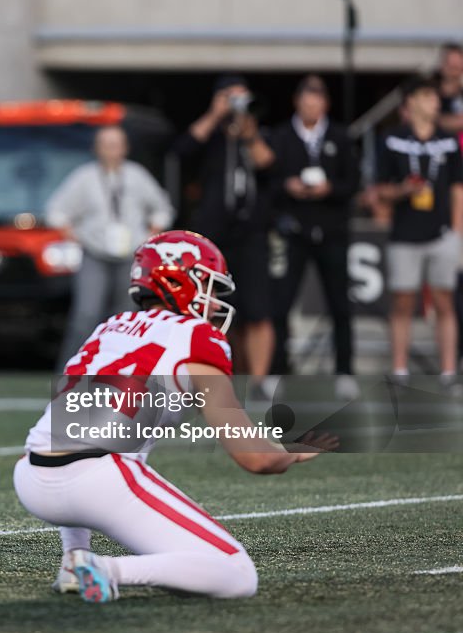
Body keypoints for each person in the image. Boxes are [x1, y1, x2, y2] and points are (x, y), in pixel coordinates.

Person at [13, 230, 336, 603]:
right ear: (179, 281)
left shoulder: (110, 326)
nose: (215, 302)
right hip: (97, 482)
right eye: (210, 287)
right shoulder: (199, 337)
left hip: (32, 477)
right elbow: (257, 458)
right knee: (237, 573)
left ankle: (73, 557)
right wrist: (292, 449)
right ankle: (107, 568)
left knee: (102, 441)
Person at [174, 75, 275, 396]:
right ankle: (210, 375)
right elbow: (181, 151)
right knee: (208, 306)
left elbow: (269, 165)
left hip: (252, 232)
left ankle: (259, 380)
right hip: (213, 234)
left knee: (258, 308)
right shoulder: (211, 137)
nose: (238, 106)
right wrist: (216, 114)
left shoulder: (257, 135)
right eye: (233, 99)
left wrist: (248, 132)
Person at [47, 125, 174, 370]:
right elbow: (57, 210)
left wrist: (152, 232)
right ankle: (72, 369)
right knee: (86, 313)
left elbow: (162, 207)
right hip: (95, 253)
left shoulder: (137, 176)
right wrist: (71, 233)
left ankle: (117, 369)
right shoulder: (83, 177)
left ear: (125, 148)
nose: (111, 150)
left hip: (131, 257)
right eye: (106, 144)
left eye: (116, 144)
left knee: (126, 316)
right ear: (96, 148)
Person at [268, 75, 360, 397]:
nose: (312, 105)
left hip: (332, 231)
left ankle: (345, 371)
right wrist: (288, 186)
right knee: (281, 303)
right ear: (297, 101)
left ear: (325, 104)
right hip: (294, 231)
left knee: (340, 304)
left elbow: (353, 184)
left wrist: (329, 188)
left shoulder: (340, 137)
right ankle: (276, 369)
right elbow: (268, 182)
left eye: (318, 99)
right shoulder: (280, 137)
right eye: (307, 99)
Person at [371, 76, 463, 389]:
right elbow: (380, 191)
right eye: (426, 95)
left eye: (434, 95)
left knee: (445, 301)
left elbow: (457, 189)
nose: (434, 101)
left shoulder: (448, 140)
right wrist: (403, 190)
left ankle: (448, 370)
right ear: (410, 102)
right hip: (405, 235)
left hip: (441, 234)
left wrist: (457, 233)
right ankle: (399, 370)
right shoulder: (392, 138)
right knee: (403, 302)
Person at [435, 42, 463, 135]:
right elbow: (428, 120)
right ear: (442, 65)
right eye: (450, 65)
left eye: (457, 66)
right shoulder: (431, 93)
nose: (454, 70)